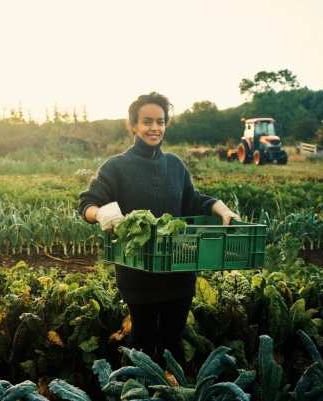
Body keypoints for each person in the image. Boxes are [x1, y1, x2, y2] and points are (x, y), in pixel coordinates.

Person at [77, 92, 240, 363]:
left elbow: (192, 200)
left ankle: (170, 387)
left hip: (179, 271)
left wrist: (220, 207)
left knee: (172, 342)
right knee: (142, 341)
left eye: (160, 122)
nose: (155, 128)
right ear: (133, 126)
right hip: (137, 273)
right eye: (147, 121)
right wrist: (100, 213)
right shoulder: (116, 167)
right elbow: (86, 204)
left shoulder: (174, 164)